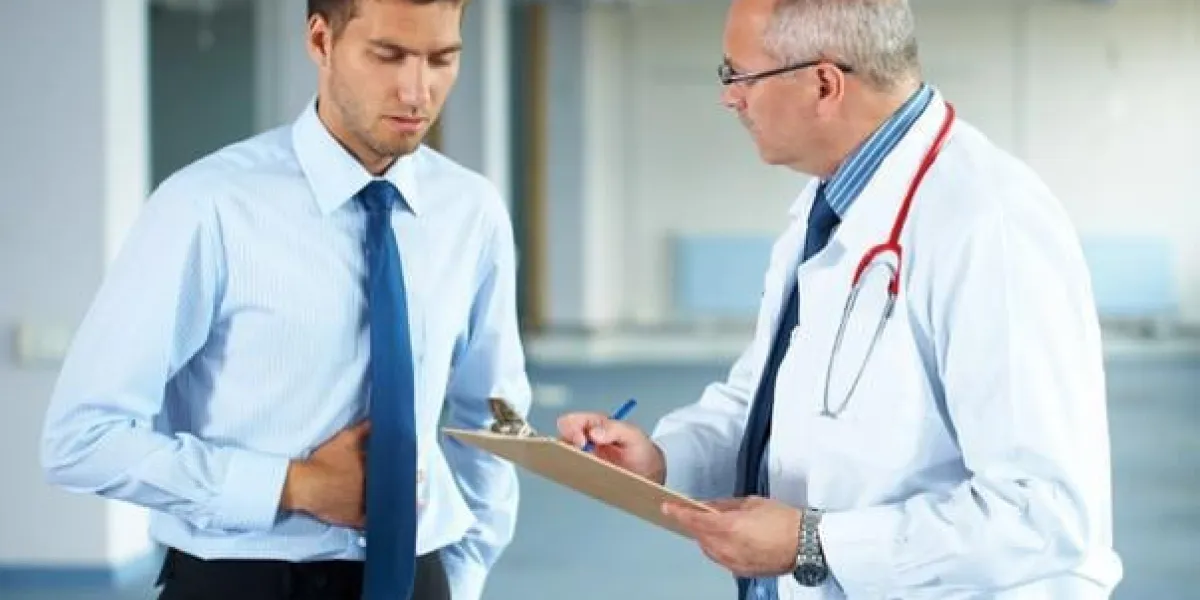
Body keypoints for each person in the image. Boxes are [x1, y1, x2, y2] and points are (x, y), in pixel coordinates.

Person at [558, 0, 1123, 598]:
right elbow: (767, 406)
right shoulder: (829, 205)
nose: (730, 98)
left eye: (737, 75)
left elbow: (1042, 512)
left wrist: (814, 542)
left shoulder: (991, 221)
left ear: (824, 84)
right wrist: (662, 460)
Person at [40, 0, 530, 599]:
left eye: (441, 59)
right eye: (388, 55)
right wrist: (291, 485)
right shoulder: (207, 206)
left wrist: (465, 569)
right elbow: (81, 437)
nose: (416, 91)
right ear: (321, 41)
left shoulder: (470, 211)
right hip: (246, 579)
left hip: (420, 576)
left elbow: (494, 412)